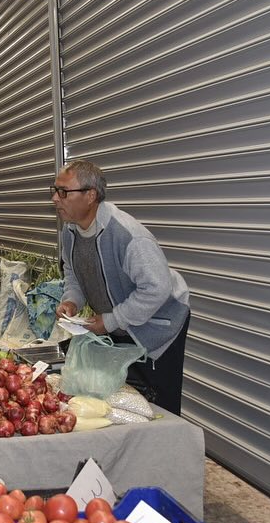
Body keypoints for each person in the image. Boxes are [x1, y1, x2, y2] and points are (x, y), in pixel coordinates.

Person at [52, 160, 191, 415]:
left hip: (159, 322)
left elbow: (156, 289)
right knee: (124, 398)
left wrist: (111, 320)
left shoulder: (128, 235)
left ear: (90, 195)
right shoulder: (70, 232)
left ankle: (164, 449)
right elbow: (74, 274)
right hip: (121, 320)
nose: (55, 198)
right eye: (54, 190)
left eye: (63, 191)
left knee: (156, 405)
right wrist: (72, 301)